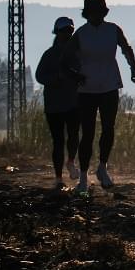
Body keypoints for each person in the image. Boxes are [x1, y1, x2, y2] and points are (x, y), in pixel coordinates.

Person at [63, 0, 135, 194]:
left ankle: (102, 167)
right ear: (87, 14)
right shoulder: (81, 34)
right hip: (86, 89)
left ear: (104, 12)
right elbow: (65, 59)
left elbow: (126, 48)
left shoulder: (113, 30)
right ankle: (83, 177)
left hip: (109, 85)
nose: (96, 16)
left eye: (99, 12)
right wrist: (74, 75)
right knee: (87, 133)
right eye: (92, 12)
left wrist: (134, 67)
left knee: (108, 129)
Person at [34, 16, 81, 189]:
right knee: (58, 141)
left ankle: (70, 161)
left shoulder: (78, 53)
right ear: (57, 33)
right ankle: (59, 178)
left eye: (69, 30)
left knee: (74, 136)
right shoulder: (49, 55)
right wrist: (56, 78)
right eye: (64, 31)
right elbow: (40, 76)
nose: (67, 34)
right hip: (54, 105)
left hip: (73, 103)